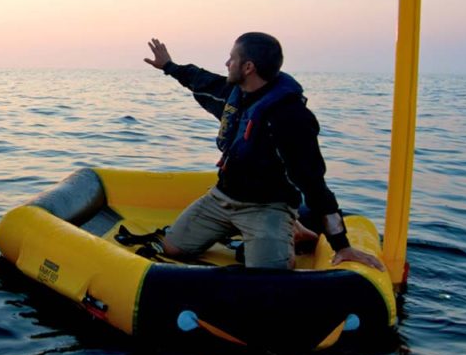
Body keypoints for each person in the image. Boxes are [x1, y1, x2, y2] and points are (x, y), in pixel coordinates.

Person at [144, 33, 384, 270]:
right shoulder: (234, 95)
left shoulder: (290, 118)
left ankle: (291, 230)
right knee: (172, 249)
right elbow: (201, 80)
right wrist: (168, 65)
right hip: (222, 198)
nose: (227, 64)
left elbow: (314, 183)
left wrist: (341, 245)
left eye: (232, 58)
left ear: (248, 67)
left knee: (266, 270)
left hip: (267, 208)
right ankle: (283, 230)